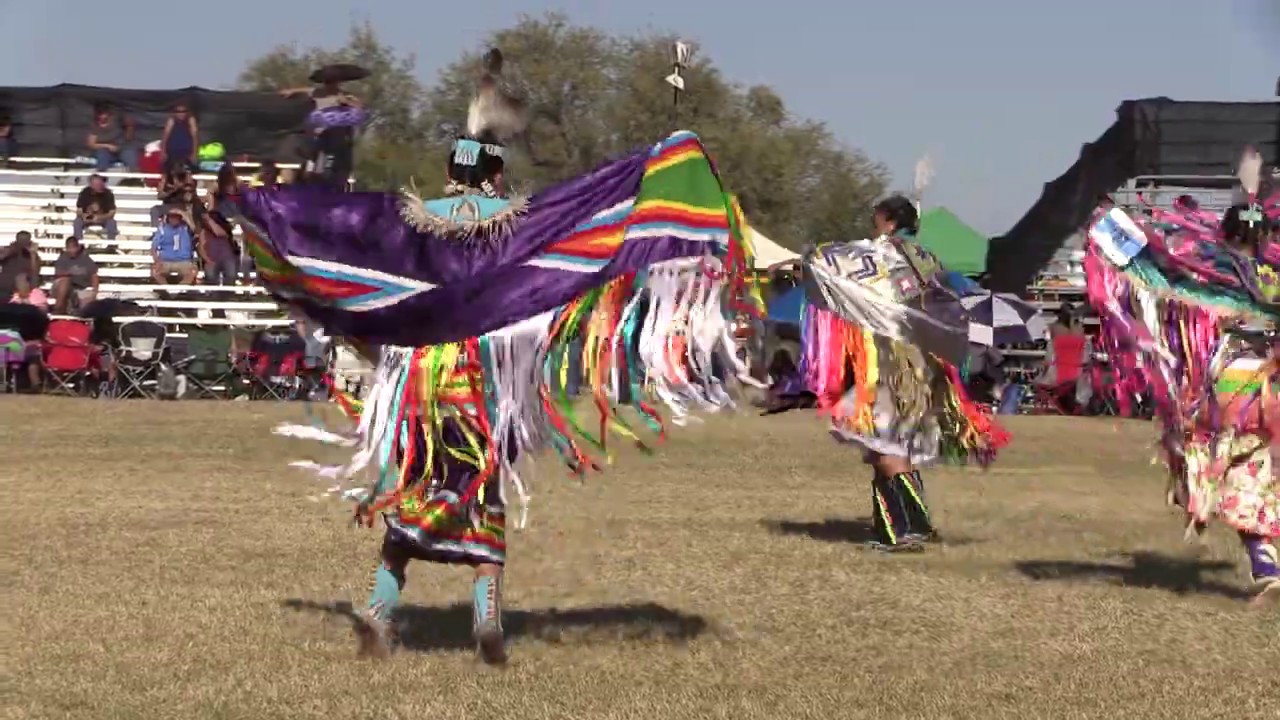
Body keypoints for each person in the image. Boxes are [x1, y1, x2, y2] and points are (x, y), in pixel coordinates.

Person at [1086, 188, 1279, 605]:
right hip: (1271, 387)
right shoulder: (1273, 273)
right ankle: (1265, 563)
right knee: (1254, 471)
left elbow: (1153, 274)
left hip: (1230, 382)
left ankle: (1234, 535)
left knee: (1208, 460)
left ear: (1225, 232)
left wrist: (1112, 228)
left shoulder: (1210, 269)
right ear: (1264, 235)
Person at [789, 195, 1008, 552]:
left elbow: (827, 262)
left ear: (889, 220)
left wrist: (806, 259)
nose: (873, 224)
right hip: (924, 364)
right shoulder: (927, 259)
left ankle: (903, 532)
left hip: (890, 362)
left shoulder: (878, 254)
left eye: (876, 218)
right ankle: (906, 526)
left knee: (886, 446)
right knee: (890, 445)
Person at [200, 165, 241, 286]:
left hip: (232, 214)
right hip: (220, 216)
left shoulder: (238, 185)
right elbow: (211, 209)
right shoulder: (216, 187)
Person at [51, 237, 99, 314]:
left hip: (80, 288)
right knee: (66, 280)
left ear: (78, 247)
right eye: (69, 248)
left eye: (73, 247)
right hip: (61, 287)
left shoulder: (86, 259)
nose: (71, 250)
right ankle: (58, 308)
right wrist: (71, 273)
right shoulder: (62, 258)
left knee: (87, 303)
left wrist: (95, 292)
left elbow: (94, 275)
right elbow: (58, 273)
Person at [150, 208, 198, 285]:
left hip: (184, 261)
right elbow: (153, 248)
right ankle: (167, 290)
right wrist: (157, 261)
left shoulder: (186, 228)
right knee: (155, 272)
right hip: (165, 261)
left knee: (193, 271)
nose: (174, 219)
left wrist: (182, 213)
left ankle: (179, 291)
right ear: (168, 218)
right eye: (171, 217)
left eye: (176, 217)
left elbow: (195, 229)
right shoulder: (162, 229)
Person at [86, 107, 138, 171]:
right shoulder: (95, 127)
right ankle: (100, 176)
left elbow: (128, 137)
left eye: (106, 118)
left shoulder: (117, 121)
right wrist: (108, 146)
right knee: (102, 154)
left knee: (130, 152)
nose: (103, 120)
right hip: (105, 150)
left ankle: (135, 175)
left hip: (121, 147)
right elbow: (91, 144)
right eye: (100, 118)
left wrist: (130, 127)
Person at [74, 175, 119, 244]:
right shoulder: (85, 193)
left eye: (99, 184)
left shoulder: (108, 194)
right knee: (77, 222)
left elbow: (112, 212)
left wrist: (99, 217)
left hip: (103, 218)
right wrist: (84, 216)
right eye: (96, 184)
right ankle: (79, 244)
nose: (99, 186)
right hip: (87, 217)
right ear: (91, 185)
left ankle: (111, 245)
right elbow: (79, 210)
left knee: (112, 223)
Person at [160, 102, 198, 173]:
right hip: (172, 152)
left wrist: (194, 153)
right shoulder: (171, 120)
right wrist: (163, 151)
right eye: (178, 111)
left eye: (183, 111)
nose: (181, 113)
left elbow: (195, 137)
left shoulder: (190, 120)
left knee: (188, 171)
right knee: (170, 171)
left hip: (187, 152)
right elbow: (165, 136)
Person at [0, 230, 40, 299]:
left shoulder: (32, 255)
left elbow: (35, 272)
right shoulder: (7, 250)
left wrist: (32, 254)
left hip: (24, 288)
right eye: (21, 240)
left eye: (25, 240)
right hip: (6, 286)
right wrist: (12, 250)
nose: (23, 243)